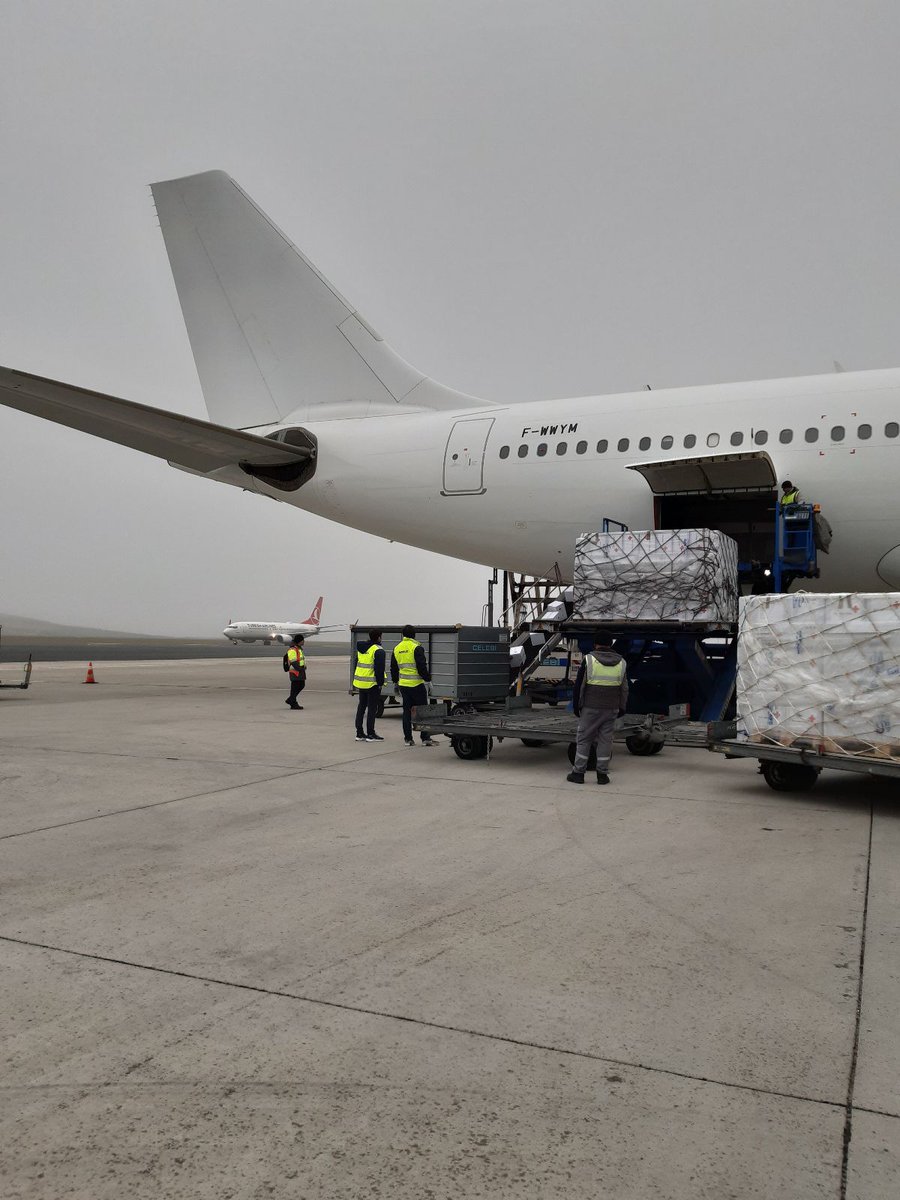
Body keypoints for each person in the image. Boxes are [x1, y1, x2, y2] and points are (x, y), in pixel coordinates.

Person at [567, 631, 628, 786]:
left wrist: (576, 706)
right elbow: (624, 689)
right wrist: (621, 707)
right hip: (611, 708)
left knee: (584, 739)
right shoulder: (622, 662)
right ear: (611, 644)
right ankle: (602, 775)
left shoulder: (589, 660)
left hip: (591, 707)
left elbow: (579, 686)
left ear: (595, 644)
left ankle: (578, 773)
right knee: (605, 740)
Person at [391, 625, 437, 747]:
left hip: (403, 685)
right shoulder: (416, 647)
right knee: (422, 712)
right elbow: (422, 667)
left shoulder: (397, 648)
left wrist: (395, 682)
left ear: (403, 635)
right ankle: (425, 738)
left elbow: (393, 668)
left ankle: (408, 739)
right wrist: (428, 680)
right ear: (414, 635)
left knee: (406, 712)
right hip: (416, 685)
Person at [353, 629, 385, 742]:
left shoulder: (361, 648)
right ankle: (371, 733)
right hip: (372, 684)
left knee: (361, 707)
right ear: (379, 637)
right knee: (372, 708)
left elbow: (356, 663)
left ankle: (359, 733)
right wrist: (380, 683)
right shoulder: (378, 650)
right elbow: (379, 669)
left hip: (361, 682)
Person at [285, 633, 306, 710]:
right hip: (296, 671)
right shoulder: (293, 649)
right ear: (299, 641)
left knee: (301, 685)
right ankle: (293, 702)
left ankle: (291, 700)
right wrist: (299, 668)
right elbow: (293, 661)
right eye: (303, 640)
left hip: (300, 670)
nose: (304, 641)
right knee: (296, 687)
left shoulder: (298, 649)